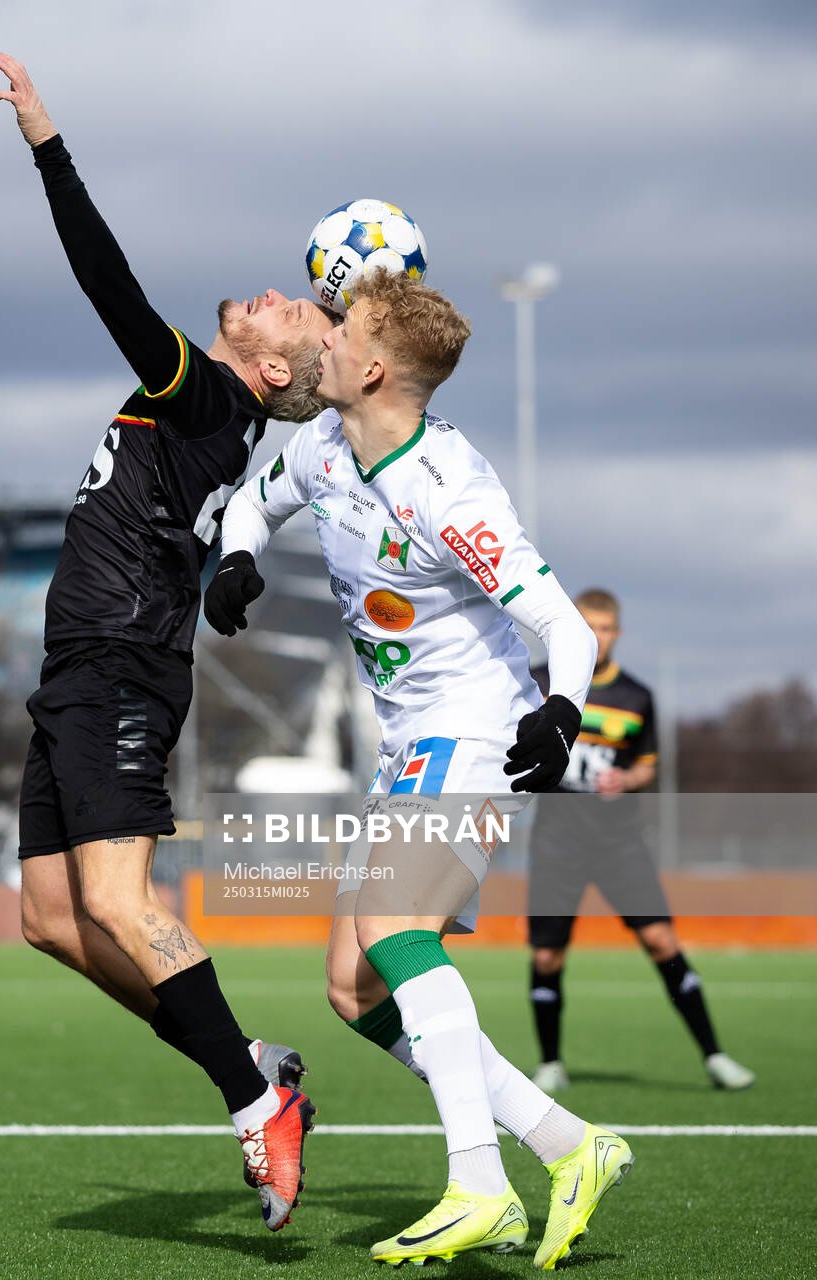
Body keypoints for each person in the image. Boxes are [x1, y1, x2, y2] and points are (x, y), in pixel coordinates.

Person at [206, 269, 633, 1270]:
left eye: (342, 323)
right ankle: (570, 1147)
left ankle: (477, 1182)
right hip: (407, 740)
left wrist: (561, 712)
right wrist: (232, 555)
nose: (322, 331)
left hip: (471, 726)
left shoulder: (447, 489)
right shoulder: (319, 445)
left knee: (395, 931)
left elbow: (558, 622)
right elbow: (249, 506)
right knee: (353, 988)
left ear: (372, 366)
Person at [0, 51, 336, 1231]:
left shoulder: (211, 395)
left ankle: (253, 1103)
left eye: (280, 309)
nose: (261, 294)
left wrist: (50, 146)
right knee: (48, 918)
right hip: (79, 667)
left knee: (119, 900)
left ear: (271, 365)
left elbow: (109, 285)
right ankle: (248, 1061)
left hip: (123, 665)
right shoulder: (212, 402)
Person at [527, 588, 755, 1093]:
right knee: (547, 957)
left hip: (618, 843)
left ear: (617, 633)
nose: (597, 637)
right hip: (556, 842)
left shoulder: (637, 696)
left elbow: (647, 767)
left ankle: (715, 1056)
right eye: (588, 627)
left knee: (661, 941)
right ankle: (550, 1064)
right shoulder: (539, 681)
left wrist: (626, 780)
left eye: (605, 628)